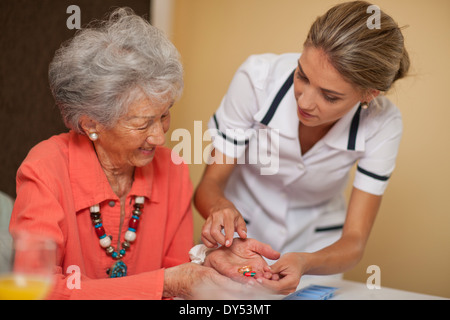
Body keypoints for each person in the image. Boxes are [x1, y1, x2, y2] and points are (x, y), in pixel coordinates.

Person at [9, 8, 278, 300]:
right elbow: (36, 292)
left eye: (164, 115)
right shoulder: (45, 169)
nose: (160, 137)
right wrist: (163, 284)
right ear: (91, 124)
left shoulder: (171, 168)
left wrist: (208, 261)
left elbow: (177, 273)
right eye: (141, 124)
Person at [195, 1, 410, 294]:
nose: (305, 102)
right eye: (302, 76)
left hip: (318, 249)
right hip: (238, 237)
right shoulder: (256, 80)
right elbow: (210, 184)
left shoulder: (383, 123)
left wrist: (305, 262)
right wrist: (220, 209)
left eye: (330, 96)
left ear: (369, 94)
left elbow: (355, 241)